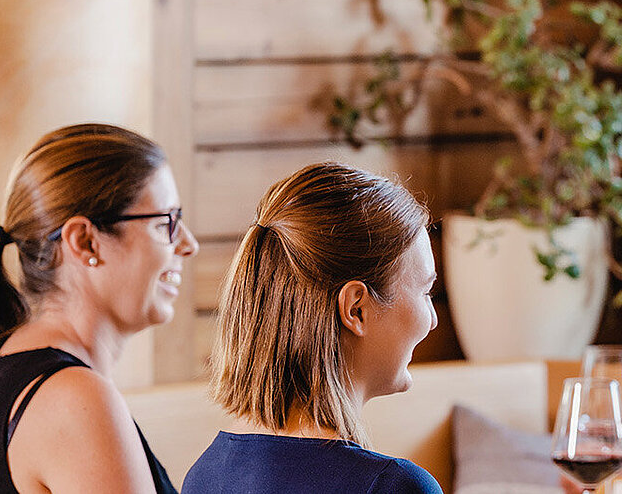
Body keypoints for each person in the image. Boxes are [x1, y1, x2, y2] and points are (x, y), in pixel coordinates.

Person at [182, 162, 441, 493]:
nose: (432, 320)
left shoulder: (203, 476)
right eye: (425, 292)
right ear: (356, 309)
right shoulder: (393, 486)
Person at [0, 123, 195, 493]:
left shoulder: (19, 368)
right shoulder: (74, 400)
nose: (188, 244)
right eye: (166, 223)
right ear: (85, 242)